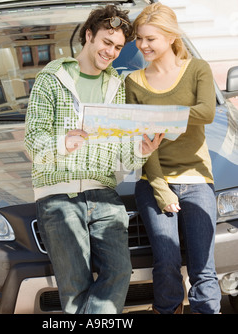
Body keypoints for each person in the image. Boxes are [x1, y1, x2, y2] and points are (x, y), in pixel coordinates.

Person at [25, 5, 163, 314]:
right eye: (106, 42)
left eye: (117, 47)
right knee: (75, 287)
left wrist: (140, 150)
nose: (111, 52)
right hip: (58, 195)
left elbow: (120, 154)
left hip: (104, 194)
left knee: (119, 272)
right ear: (89, 36)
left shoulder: (115, 87)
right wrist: (65, 141)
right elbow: (32, 142)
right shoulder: (51, 79)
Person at [125, 2, 221, 314]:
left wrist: (160, 115)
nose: (143, 45)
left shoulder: (197, 69)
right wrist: (161, 188)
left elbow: (206, 112)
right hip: (154, 181)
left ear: (170, 37)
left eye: (150, 38)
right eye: (140, 38)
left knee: (203, 267)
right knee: (165, 263)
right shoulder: (134, 82)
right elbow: (143, 142)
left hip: (196, 179)